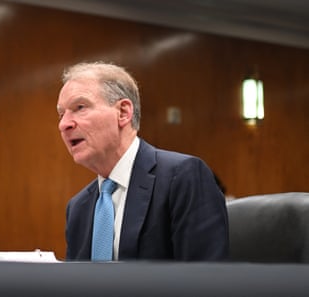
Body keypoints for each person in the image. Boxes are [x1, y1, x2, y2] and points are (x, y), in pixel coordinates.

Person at [56, 61, 229, 261]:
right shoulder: (78, 207)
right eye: (61, 114)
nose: (64, 124)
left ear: (123, 113)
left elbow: (205, 281)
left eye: (80, 107)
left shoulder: (182, 178)